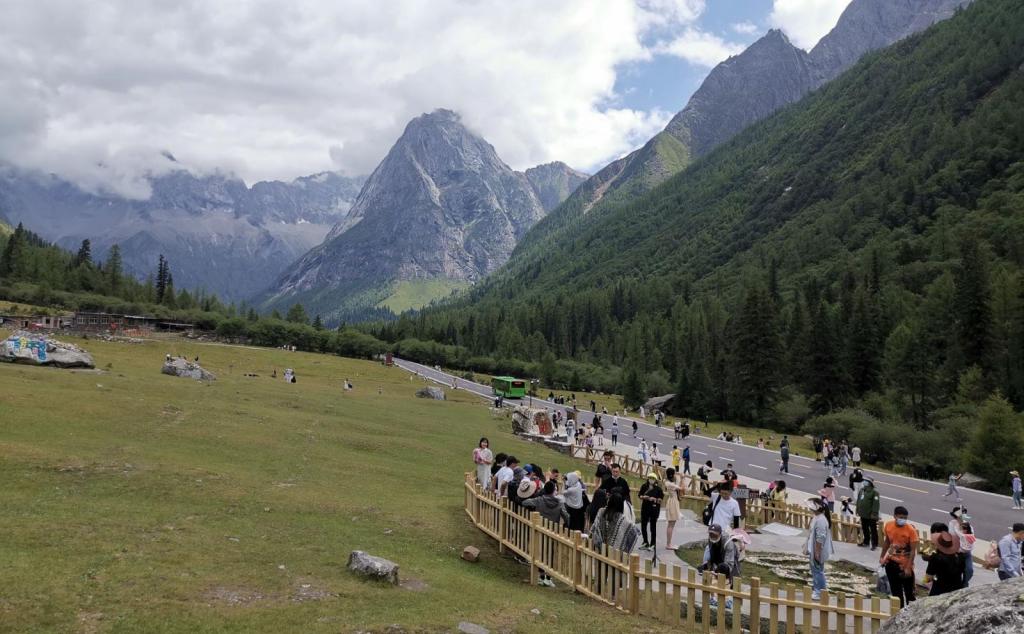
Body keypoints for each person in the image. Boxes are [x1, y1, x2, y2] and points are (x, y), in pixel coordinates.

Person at [881, 506, 919, 608]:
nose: (903, 520)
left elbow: (912, 551)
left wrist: (908, 568)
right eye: (901, 517)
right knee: (896, 591)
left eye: (905, 518)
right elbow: (887, 542)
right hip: (891, 562)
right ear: (895, 516)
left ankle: (911, 612)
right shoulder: (888, 525)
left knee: (909, 592)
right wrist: (882, 557)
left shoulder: (911, 530)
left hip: (905, 564)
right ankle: (899, 612)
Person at [923, 525, 966, 596]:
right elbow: (963, 571)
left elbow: (929, 577)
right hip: (957, 588)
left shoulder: (936, 558)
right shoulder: (960, 556)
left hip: (940, 589)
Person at [806, 498, 834, 600]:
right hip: (813, 548)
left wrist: (817, 552)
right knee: (815, 570)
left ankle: (820, 592)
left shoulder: (821, 520)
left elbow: (820, 537)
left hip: (818, 550)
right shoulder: (817, 517)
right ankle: (817, 588)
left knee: (817, 570)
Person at [948, 506, 976, 587]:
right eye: (961, 514)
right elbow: (952, 537)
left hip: (966, 552)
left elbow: (971, 537)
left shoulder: (968, 525)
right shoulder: (952, 524)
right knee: (955, 572)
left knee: (969, 570)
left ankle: (965, 583)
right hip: (956, 552)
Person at [638, 473, 664, 553]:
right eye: (650, 478)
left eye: (653, 478)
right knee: (643, 525)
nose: (651, 480)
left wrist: (654, 499)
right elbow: (639, 495)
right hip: (645, 508)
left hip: (654, 509)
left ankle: (653, 544)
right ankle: (645, 542)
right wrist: (645, 497)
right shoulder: (644, 486)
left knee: (653, 527)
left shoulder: (658, 489)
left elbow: (660, 500)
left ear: (655, 480)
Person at [857, 479, 880, 550]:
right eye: (864, 480)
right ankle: (866, 542)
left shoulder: (874, 492)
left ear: (870, 483)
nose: (864, 482)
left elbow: (876, 504)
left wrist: (874, 513)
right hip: (863, 514)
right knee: (865, 528)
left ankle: (874, 544)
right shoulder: (861, 490)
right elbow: (858, 500)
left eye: (866, 481)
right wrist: (857, 509)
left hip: (870, 515)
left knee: (873, 530)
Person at [664, 468, 682, 549]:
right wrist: (682, 478)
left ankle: (669, 543)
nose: (675, 475)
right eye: (674, 473)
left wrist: (679, 477)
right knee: (671, 524)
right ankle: (668, 544)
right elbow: (681, 488)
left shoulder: (668, 482)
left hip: (673, 502)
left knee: (671, 524)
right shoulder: (669, 484)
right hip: (672, 503)